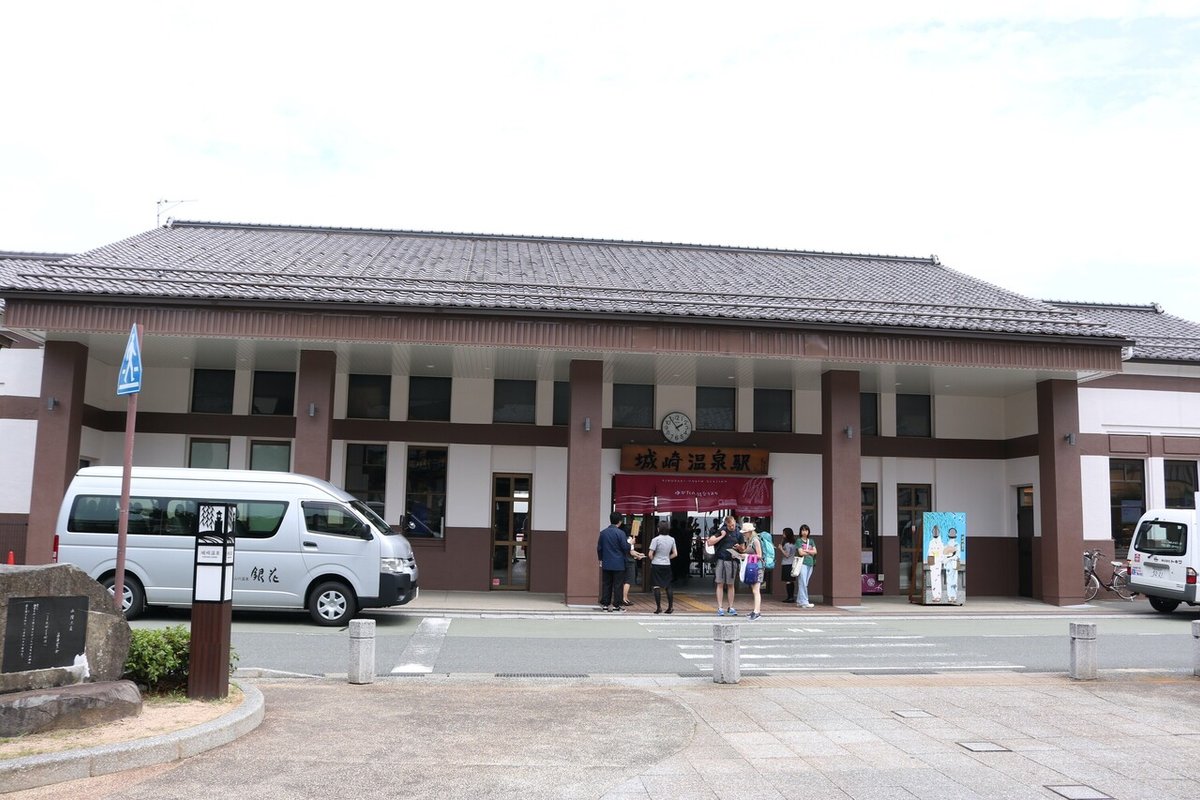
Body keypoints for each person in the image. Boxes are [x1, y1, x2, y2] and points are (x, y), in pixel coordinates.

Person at [708, 515, 743, 616]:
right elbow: (710, 542)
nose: (732, 527)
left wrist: (739, 547)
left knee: (731, 584)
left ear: (735, 522)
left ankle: (731, 607)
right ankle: (720, 607)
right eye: (730, 525)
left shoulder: (738, 532)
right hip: (721, 559)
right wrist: (722, 536)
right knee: (720, 583)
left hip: (732, 561)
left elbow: (743, 548)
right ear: (726, 524)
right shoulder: (721, 530)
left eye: (733, 525)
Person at [597, 512, 629, 612]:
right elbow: (625, 547)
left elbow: (599, 548)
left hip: (606, 562)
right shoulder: (621, 533)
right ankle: (616, 605)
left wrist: (601, 559)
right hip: (619, 563)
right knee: (618, 585)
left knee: (606, 584)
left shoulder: (603, 533)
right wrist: (630, 544)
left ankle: (605, 604)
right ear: (620, 521)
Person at [647, 520, 678, 614]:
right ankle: (670, 607)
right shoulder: (672, 539)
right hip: (667, 564)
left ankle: (659, 607)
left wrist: (654, 559)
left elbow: (650, 554)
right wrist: (667, 557)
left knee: (656, 586)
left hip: (656, 564)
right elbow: (675, 554)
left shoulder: (655, 540)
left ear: (658, 529)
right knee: (668, 586)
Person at [738, 521, 764, 620]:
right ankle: (755, 610)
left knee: (756, 590)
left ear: (749, 532)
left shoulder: (755, 540)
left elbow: (760, 555)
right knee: (754, 590)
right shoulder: (751, 540)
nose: (743, 534)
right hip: (754, 567)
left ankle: (757, 612)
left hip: (758, 567)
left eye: (745, 532)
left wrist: (746, 555)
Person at [621, 524, 645, 607]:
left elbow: (631, 551)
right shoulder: (630, 539)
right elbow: (631, 551)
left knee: (624, 581)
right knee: (628, 581)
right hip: (629, 562)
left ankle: (625, 598)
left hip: (623, 561)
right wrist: (639, 556)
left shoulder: (621, 538)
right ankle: (624, 598)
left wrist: (638, 554)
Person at [794, 524, 817, 608]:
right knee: (803, 582)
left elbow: (815, 551)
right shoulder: (799, 541)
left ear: (808, 531)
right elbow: (800, 553)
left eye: (806, 530)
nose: (804, 532)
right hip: (802, 563)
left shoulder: (811, 541)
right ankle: (805, 601)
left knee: (805, 583)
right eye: (803, 530)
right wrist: (810, 551)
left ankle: (800, 601)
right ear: (800, 531)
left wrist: (806, 550)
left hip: (810, 563)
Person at [778, 527, 797, 603]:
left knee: (788, 581)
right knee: (791, 581)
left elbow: (787, 555)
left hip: (787, 563)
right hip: (792, 563)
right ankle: (791, 597)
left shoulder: (787, 544)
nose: (783, 535)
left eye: (784, 533)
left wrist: (781, 548)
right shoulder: (793, 543)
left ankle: (790, 597)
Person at [927, 524, 944, 602]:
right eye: (934, 531)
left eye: (936, 531)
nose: (935, 533)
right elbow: (929, 552)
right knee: (933, 578)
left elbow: (942, 553)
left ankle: (938, 595)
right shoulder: (931, 542)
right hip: (933, 561)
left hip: (938, 561)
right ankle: (935, 595)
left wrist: (941, 560)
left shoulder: (941, 543)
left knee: (937, 578)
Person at [943, 527, 960, 603]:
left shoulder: (957, 544)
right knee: (949, 581)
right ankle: (950, 596)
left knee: (954, 581)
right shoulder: (946, 545)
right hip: (949, 564)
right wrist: (946, 560)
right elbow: (944, 555)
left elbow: (957, 556)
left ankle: (954, 596)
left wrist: (949, 558)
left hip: (954, 563)